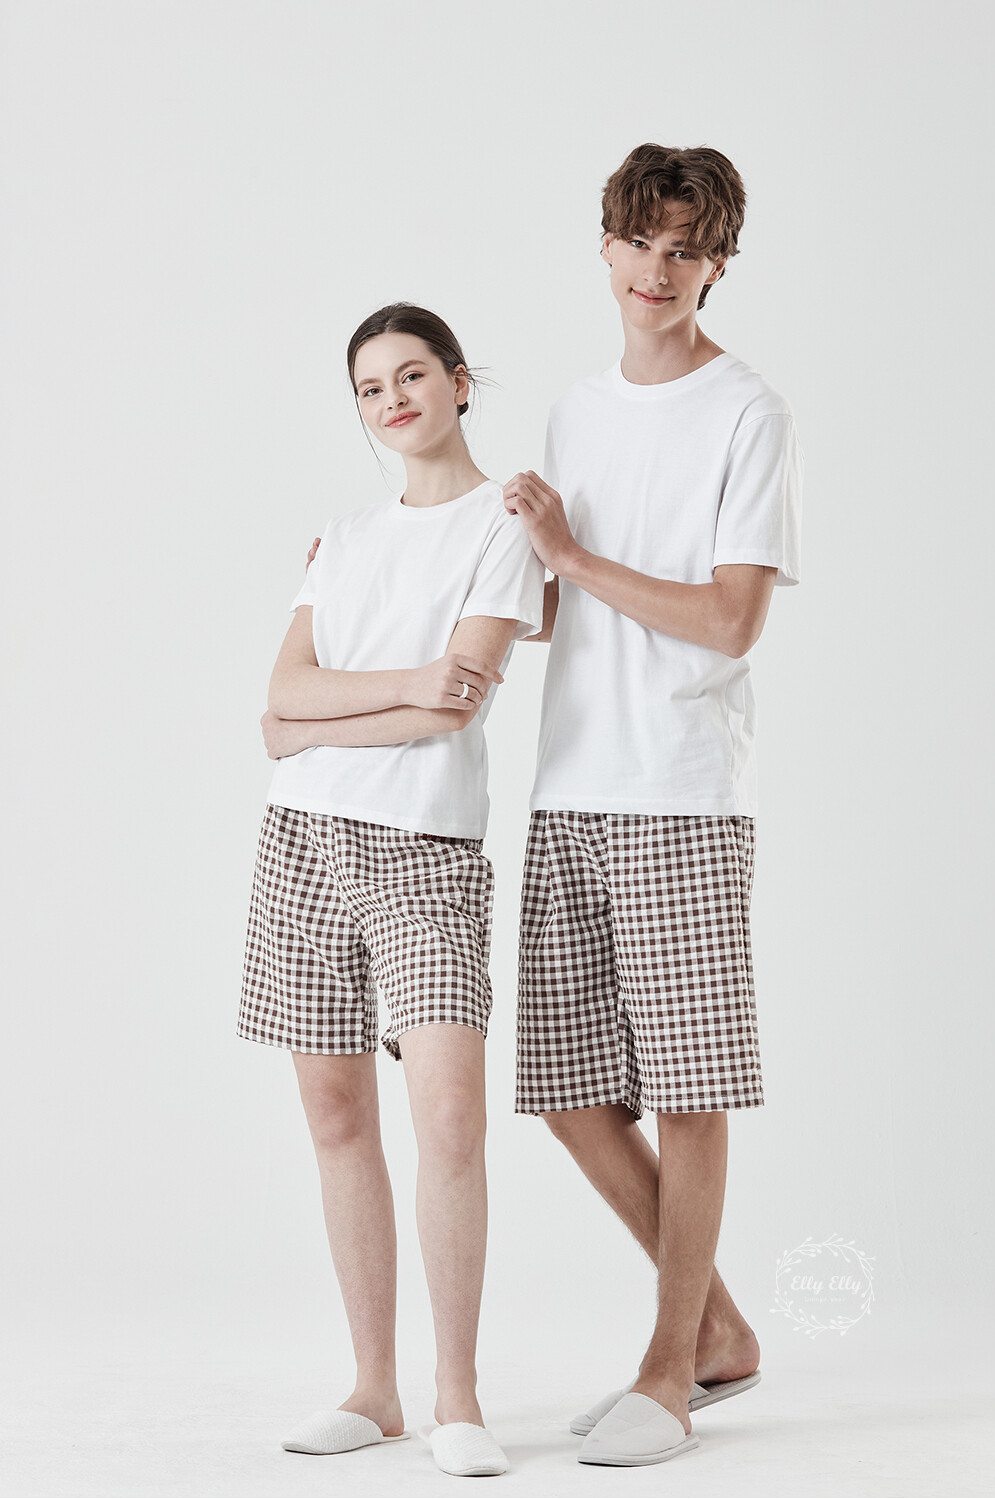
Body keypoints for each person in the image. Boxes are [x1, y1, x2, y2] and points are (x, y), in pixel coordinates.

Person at [503, 142, 803, 1467]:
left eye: (686, 249)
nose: (658, 269)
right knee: (569, 1087)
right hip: (569, 781)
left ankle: (669, 1370)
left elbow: (731, 619)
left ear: (718, 263)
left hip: (680, 789)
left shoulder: (749, 411)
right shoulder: (573, 410)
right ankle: (719, 1326)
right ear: (607, 246)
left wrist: (572, 553)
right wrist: (406, 564)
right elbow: (554, 605)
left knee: (688, 1087)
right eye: (640, 241)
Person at [239, 302, 544, 1479]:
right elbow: (279, 695)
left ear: (459, 382)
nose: (392, 400)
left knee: (450, 1116)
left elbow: (455, 707)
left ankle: (457, 1394)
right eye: (370, 387)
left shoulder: (501, 521)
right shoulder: (344, 534)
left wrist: (334, 712)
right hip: (303, 840)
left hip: (425, 852)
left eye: (411, 375)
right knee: (334, 1115)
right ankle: (374, 1388)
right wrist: (404, 684)